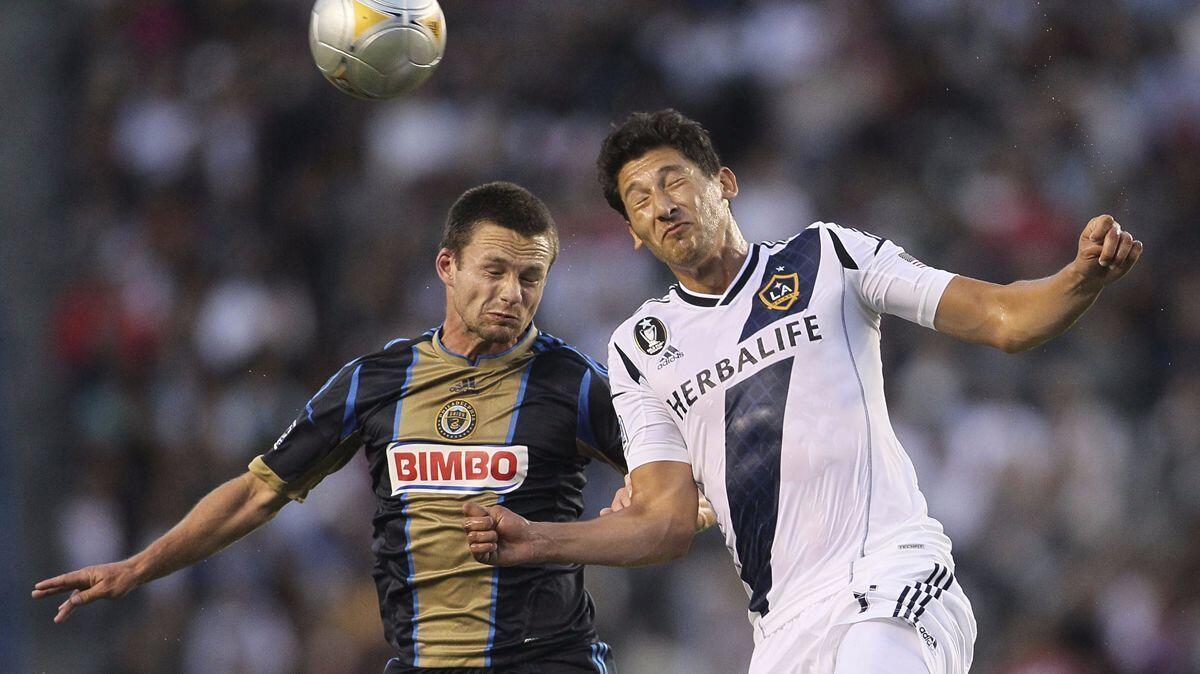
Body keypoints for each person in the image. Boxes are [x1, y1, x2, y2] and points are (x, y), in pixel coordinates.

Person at [462, 110, 1144, 673]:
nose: (662, 203)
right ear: (634, 235)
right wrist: (539, 539)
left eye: (675, 180)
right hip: (784, 630)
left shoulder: (828, 257)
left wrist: (1079, 278)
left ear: (723, 183)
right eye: (640, 198)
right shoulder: (639, 349)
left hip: (889, 578)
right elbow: (666, 521)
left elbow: (1003, 318)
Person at [33, 182, 630, 673]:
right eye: (494, 270)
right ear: (447, 266)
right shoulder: (374, 381)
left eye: (531, 277)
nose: (511, 293)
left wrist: (663, 501)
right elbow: (256, 493)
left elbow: (680, 487)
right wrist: (138, 567)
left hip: (548, 661)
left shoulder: (574, 382)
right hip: (421, 662)